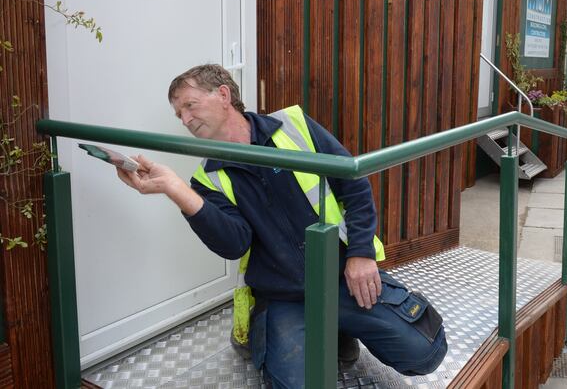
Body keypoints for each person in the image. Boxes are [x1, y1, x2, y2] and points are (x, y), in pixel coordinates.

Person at [116, 64, 447, 388]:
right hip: (281, 296)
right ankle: (310, 331)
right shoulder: (206, 180)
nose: (186, 120)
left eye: (190, 105)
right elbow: (233, 244)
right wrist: (177, 190)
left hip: (339, 276)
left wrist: (361, 255)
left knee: (425, 351)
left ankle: (337, 326)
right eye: (179, 115)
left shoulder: (293, 125)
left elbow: (353, 182)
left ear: (223, 94)